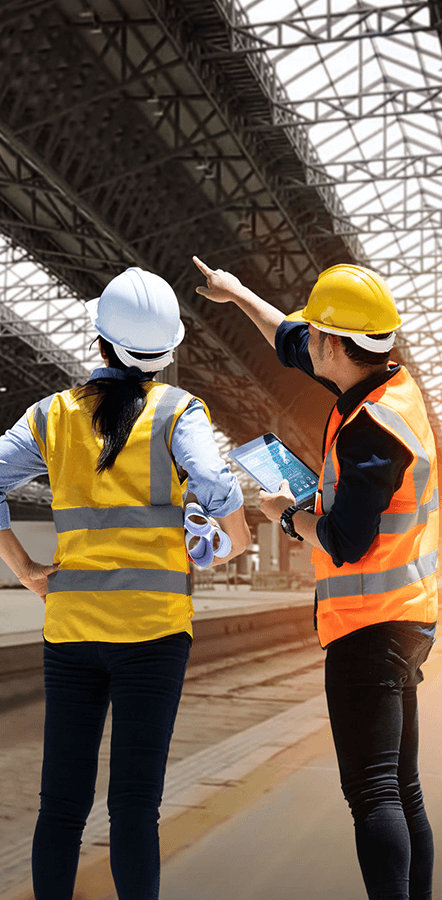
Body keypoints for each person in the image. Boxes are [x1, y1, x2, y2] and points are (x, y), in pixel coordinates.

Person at [0, 266, 250, 900]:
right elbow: (217, 488)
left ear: (100, 339)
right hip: (155, 635)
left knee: (61, 804)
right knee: (135, 807)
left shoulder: (52, 416)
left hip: (72, 631)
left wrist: (27, 571)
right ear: (167, 352)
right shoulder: (177, 411)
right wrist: (234, 534)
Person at [193, 255, 438, 900]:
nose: (307, 343)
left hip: (369, 628)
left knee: (373, 793)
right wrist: (237, 292)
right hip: (409, 616)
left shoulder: (372, 435)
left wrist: (287, 514)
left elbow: (344, 541)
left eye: (316, 336)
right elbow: (286, 339)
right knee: (401, 787)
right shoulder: (384, 384)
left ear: (337, 345)